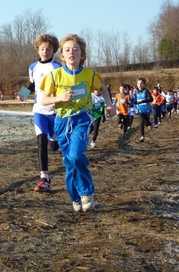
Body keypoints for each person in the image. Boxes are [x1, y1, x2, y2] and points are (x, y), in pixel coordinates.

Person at [40, 34, 116, 212]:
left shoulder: (89, 75)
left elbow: (102, 88)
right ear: (62, 56)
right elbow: (43, 99)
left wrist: (110, 104)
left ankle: (86, 192)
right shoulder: (54, 75)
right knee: (69, 161)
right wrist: (59, 97)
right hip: (61, 121)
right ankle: (75, 196)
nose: (71, 52)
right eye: (67, 50)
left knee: (75, 155)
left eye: (75, 49)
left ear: (82, 55)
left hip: (82, 119)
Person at [18, 33, 62, 193]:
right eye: (43, 49)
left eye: (49, 49)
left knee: (53, 145)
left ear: (54, 51)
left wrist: (56, 102)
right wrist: (23, 93)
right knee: (41, 142)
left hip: (55, 111)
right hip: (39, 111)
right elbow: (32, 83)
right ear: (38, 50)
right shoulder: (33, 67)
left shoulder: (57, 68)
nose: (45, 52)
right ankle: (45, 178)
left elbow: (62, 88)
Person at [134, 78, 153, 142]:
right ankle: (142, 136)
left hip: (146, 109)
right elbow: (135, 100)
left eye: (141, 83)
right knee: (141, 122)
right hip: (140, 109)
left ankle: (149, 123)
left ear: (144, 84)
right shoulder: (136, 91)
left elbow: (151, 99)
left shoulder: (146, 91)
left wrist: (143, 101)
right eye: (138, 83)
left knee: (146, 123)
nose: (140, 85)